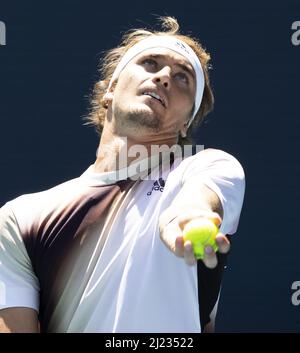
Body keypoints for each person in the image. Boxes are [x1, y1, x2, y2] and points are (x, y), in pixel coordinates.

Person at [0, 16, 245, 333]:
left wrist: (189, 217)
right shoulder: (20, 218)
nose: (164, 77)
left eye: (183, 78)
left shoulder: (208, 165)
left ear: (187, 122)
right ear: (111, 88)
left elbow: (199, 199)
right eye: (150, 63)